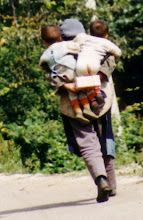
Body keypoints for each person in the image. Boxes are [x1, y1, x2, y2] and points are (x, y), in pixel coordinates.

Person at [45, 18, 119, 202]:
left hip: (73, 106)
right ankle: (112, 184)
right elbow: (111, 60)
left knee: (87, 142)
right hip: (100, 98)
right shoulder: (94, 43)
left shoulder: (57, 51)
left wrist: (66, 86)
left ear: (61, 37)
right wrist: (96, 78)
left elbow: (50, 75)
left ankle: (100, 179)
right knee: (105, 138)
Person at [39, 25, 99, 124]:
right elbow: (77, 48)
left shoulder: (45, 54)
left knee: (72, 94)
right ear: (60, 38)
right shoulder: (65, 45)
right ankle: (87, 108)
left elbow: (42, 65)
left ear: (44, 42)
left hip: (63, 76)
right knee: (82, 90)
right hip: (73, 71)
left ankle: (78, 112)